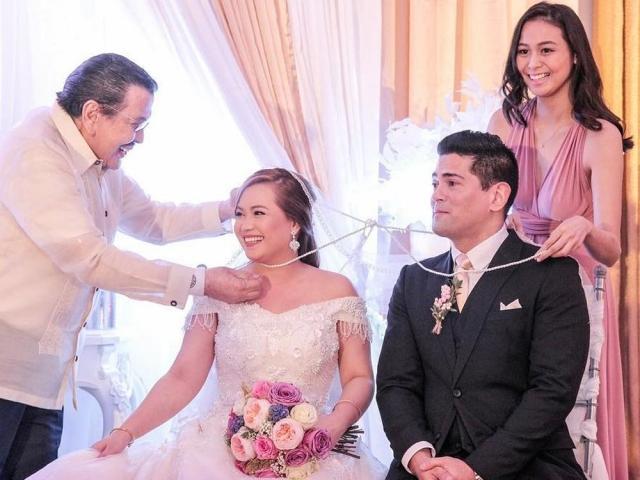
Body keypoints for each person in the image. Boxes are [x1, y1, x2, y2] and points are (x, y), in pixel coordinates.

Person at [0, 53, 264, 479]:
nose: (140, 138)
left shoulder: (99, 160)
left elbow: (153, 219)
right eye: (135, 124)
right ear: (92, 113)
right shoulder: (37, 152)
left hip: (47, 379)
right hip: (6, 363)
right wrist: (201, 282)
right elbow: (89, 258)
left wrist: (226, 209)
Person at [27, 167, 387, 479]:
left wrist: (335, 423)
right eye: (240, 214)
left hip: (313, 448)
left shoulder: (337, 291)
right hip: (219, 449)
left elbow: (359, 377)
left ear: (294, 222)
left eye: (259, 213)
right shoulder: (219, 287)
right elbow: (182, 377)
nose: (245, 226)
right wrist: (126, 432)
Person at [377, 130, 590, 480]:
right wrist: (418, 456)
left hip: (524, 464)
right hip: (429, 465)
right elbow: (395, 383)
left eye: (452, 183)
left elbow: (553, 390)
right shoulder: (415, 280)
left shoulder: (550, 275)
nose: (436, 195)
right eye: (435, 183)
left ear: (497, 196)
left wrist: (476, 468)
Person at [487, 3, 633, 478]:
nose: (533, 63)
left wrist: (585, 229)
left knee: (564, 419)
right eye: (523, 51)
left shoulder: (599, 135)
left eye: (547, 50)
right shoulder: (503, 123)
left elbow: (612, 250)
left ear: (574, 55)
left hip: (573, 290)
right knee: (505, 410)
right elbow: (487, 207)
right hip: (509, 282)